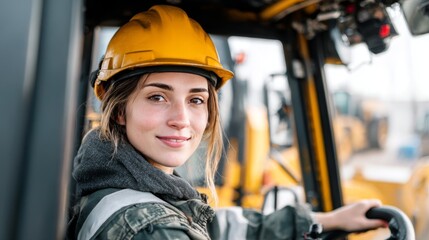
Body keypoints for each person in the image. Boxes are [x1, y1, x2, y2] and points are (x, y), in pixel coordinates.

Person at [67, 5, 387, 240]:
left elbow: (216, 225)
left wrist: (325, 220)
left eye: (195, 100)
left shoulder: (120, 188)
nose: (182, 120)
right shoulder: (151, 227)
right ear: (119, 110)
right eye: (157, 97)